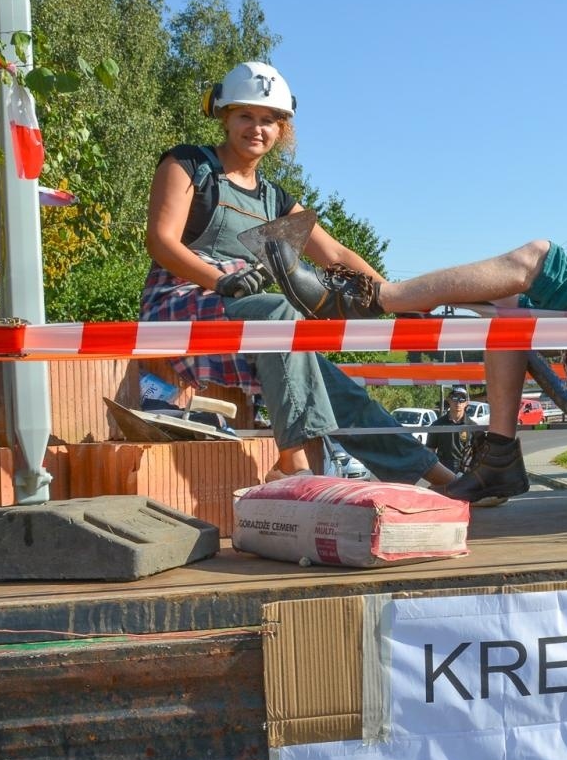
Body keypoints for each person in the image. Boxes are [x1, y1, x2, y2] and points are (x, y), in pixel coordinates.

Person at [140, 61, 454, 489]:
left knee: (337, 388)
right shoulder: (190, 165)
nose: (257, 128)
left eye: (269, 120)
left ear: (282, 129)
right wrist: (220, 280)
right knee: (280, 313)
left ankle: (436, 474)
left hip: (252, 319)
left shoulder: (274, 199)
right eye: (246, 116)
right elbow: (161, 241)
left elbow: (336, 254)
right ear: (223, 115)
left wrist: (399, 302)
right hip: (182, 306)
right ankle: (295, 462)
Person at [264, 234, 567, 504]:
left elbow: (337, 251)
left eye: (267, 121)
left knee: (539, 255)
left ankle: (379, 298)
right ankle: (500, 457)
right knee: (507, 303)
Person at [427, 387, 475, 473]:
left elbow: (480, 453)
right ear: (448, 400)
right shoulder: (437, 425)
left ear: (467, 403)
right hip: (443, 469)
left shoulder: (473, 426)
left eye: (462, 399)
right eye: (455, 398)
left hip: (466, 471)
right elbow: (430, 452)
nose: (458, 402)